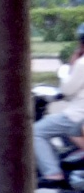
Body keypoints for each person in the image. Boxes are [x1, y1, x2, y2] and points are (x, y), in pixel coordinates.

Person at [34, 24, 84, 184]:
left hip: (77, 115)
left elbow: (67, 89)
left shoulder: (82, 64)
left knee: (36, 131)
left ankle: (53, 173)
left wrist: (71, 65)